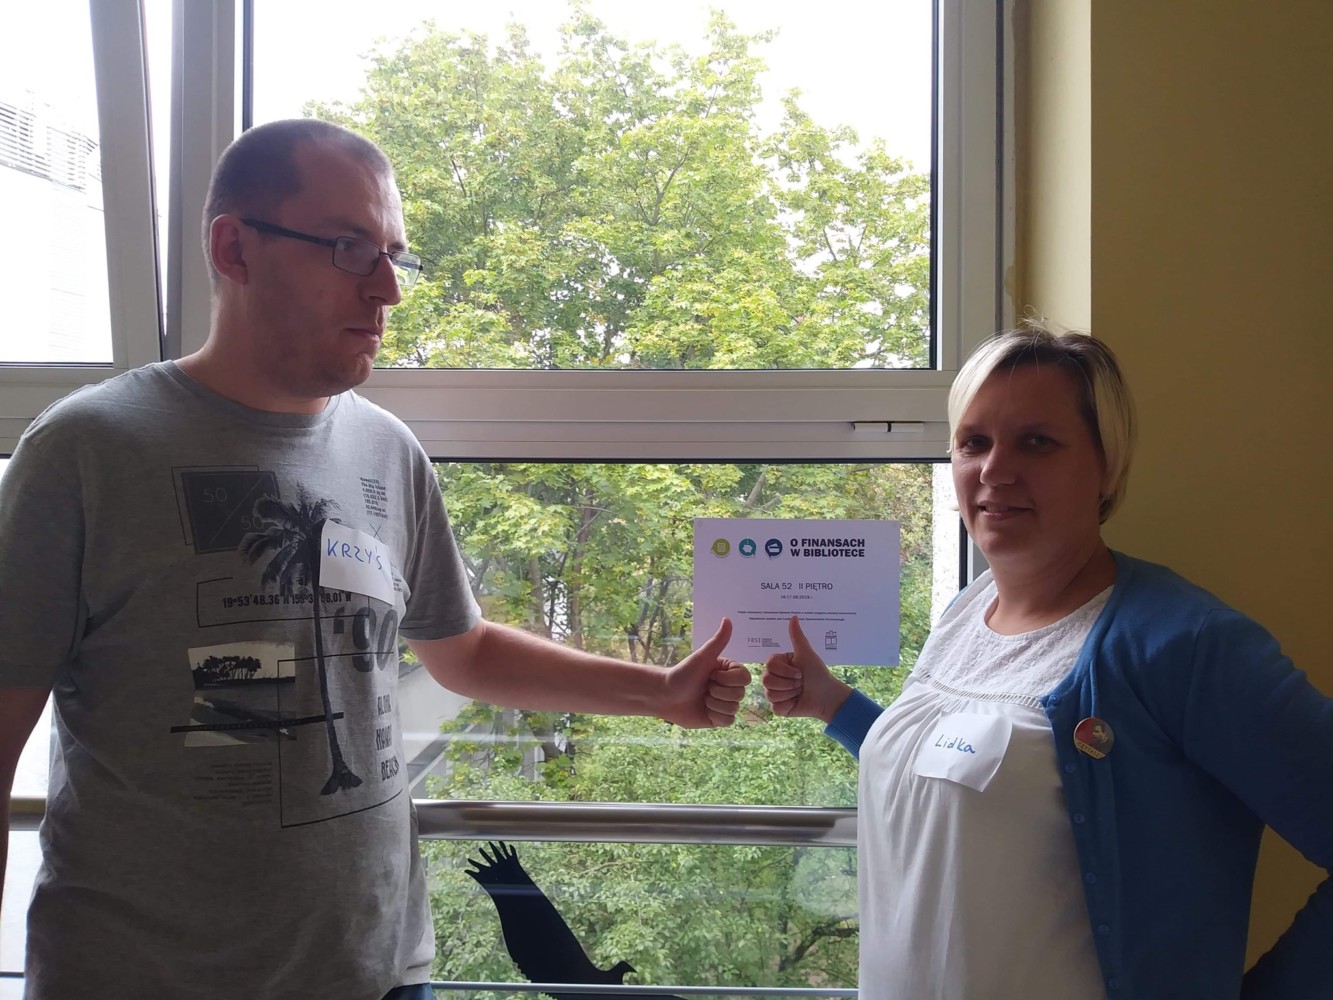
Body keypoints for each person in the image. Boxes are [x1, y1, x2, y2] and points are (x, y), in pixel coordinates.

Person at [0, 118, 750, 1000]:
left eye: (394, 254)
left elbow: (462, 651)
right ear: (235, 249)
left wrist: (657, 693)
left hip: (382, 973)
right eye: (349, 248)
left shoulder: (388, 451)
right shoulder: (87, 451)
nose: (388, 288)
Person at [761, 325, 1333, 999]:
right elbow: (965, 782)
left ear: (1107, 466)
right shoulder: (967, 610)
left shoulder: (1183, 644)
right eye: (974, 442)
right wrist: (834, 706)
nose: (994, 471)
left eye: (1036, 442)